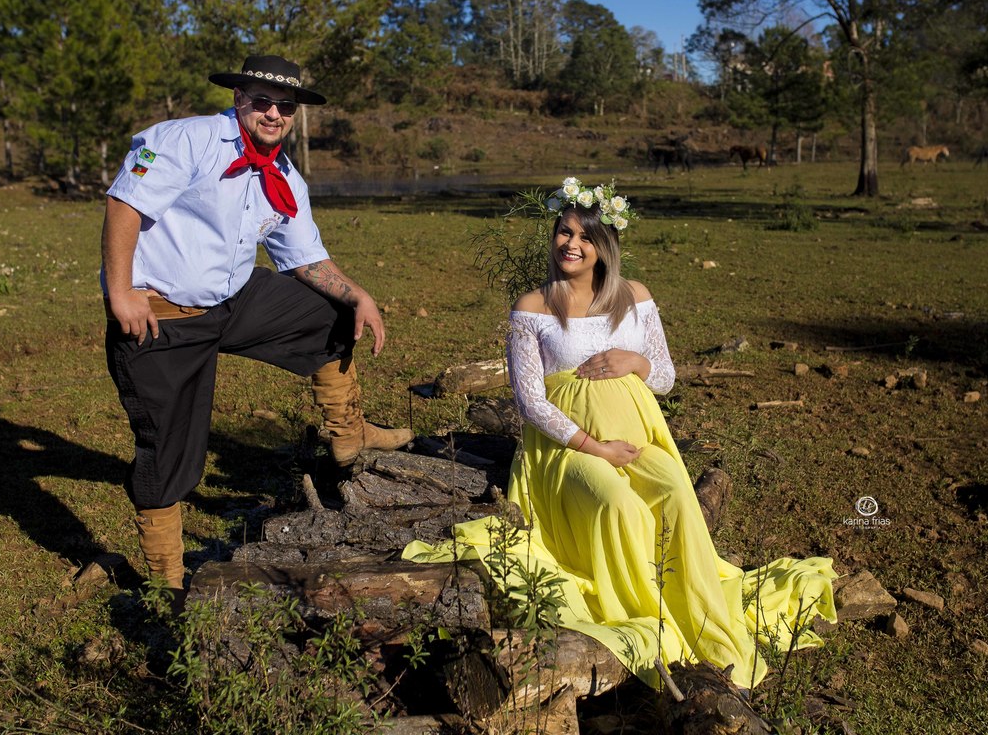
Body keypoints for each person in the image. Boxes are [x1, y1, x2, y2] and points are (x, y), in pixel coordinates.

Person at [405, 178, 836, 689]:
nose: (570, 244)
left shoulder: (636, 298)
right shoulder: (534, 306)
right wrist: (595, 447)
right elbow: (529, 402)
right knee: (617, 505)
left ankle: (691, 610)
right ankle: (643, 614)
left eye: (583, 237)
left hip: (638, 439)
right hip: (568, 448)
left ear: (604, 246)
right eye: (563, 233)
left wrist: (635, 361)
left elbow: (667, 376)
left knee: (677, 494)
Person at [102, 54, 412, 600]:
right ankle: (166, 578)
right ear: (239, 97)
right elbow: (124, 205)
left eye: (285, 106)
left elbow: (303, 258)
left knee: (330, 311)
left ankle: (348, 439)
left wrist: (358, 294)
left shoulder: (284, 174)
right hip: (164, 314)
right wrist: (121, 292)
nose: (273, 113)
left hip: (232, 299)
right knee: (168, 451)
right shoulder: (185, 140)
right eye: (261, 100)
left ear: (294, 114)